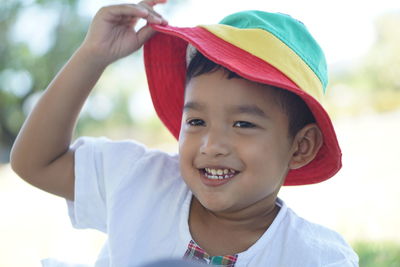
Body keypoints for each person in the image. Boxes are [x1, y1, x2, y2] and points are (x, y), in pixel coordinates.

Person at [10, 0, 359, 266]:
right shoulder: (141, 181)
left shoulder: (316, 257)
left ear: (301, 146)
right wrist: (93, 56)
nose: (211, 145)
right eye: (196, 122)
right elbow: (37, 162)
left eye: (243, 124)